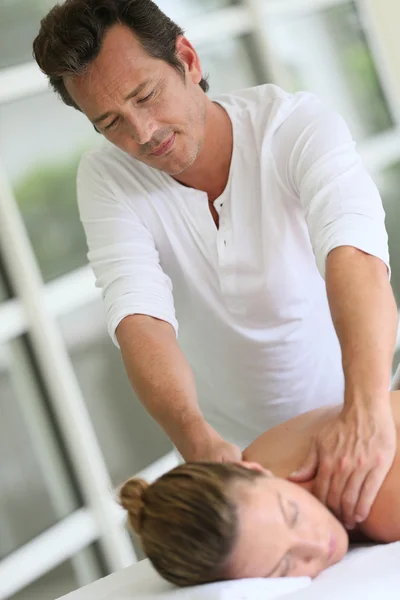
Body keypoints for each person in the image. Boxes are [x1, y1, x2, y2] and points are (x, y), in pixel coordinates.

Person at [33, 0, 398, 531]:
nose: (142, 134)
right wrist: (194, 440)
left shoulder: (295, 125)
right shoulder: (107, 179)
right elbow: (139, 316)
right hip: (243, 459)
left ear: (187, 59)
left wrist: (366, 413)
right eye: (110, 122)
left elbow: (356, 257)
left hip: (361, 407)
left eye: (146, 95)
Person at [118, 390, 400, 587]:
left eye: (293, 514)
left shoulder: (378, 499)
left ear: (253, 470)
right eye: (285, 567)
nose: (316, 545)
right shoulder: (257, 467)